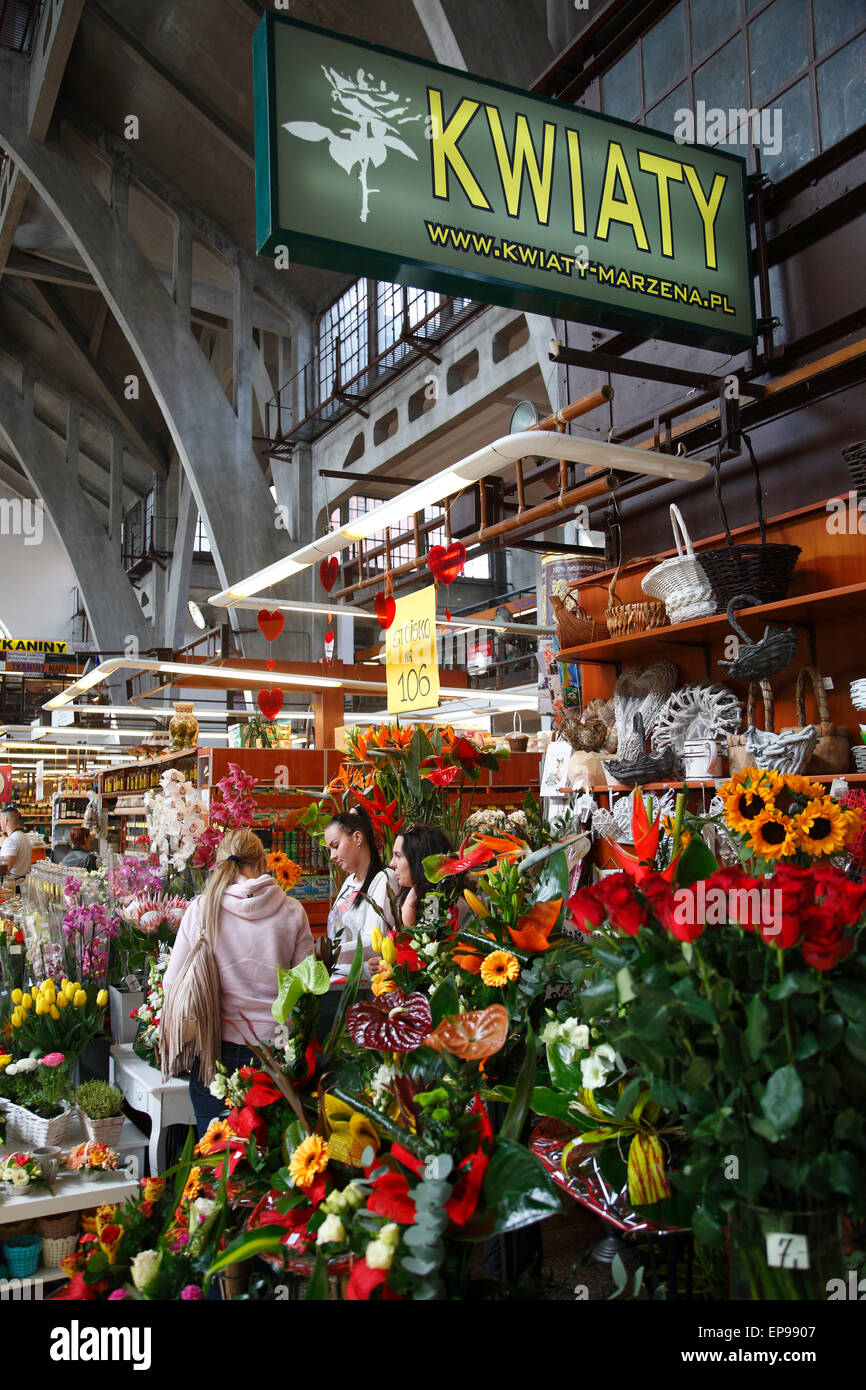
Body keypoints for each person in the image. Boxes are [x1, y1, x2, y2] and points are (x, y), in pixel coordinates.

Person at [162, 826, 315, 1138]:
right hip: (276, 1051)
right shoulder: (292, 911)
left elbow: (173, 983)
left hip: (215, 1052)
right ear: (262, 863)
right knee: (267, 1161)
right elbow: (305, 987)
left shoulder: (201, 911)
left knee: (218, 1161)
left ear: (221, 864)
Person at [322, 804, 398, 992]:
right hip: (339, 979)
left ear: (357, 838)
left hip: (362, 986)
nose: (332, 856)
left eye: (335, 846)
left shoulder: (383, 879)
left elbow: (374, 942)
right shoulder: (350, 882)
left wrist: (330, 955)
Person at [389, 823, 451, 928]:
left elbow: (427, 941)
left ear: (420, 860)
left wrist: (409, 907)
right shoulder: (412, 894)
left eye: (398, 856)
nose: (392, 864)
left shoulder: (442, 902)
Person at [0, 807, 32, 889]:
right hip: (23, 883)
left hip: (13, 886)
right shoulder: (23, 836)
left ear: (6, 821)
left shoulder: (11, 840)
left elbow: (5, 868)